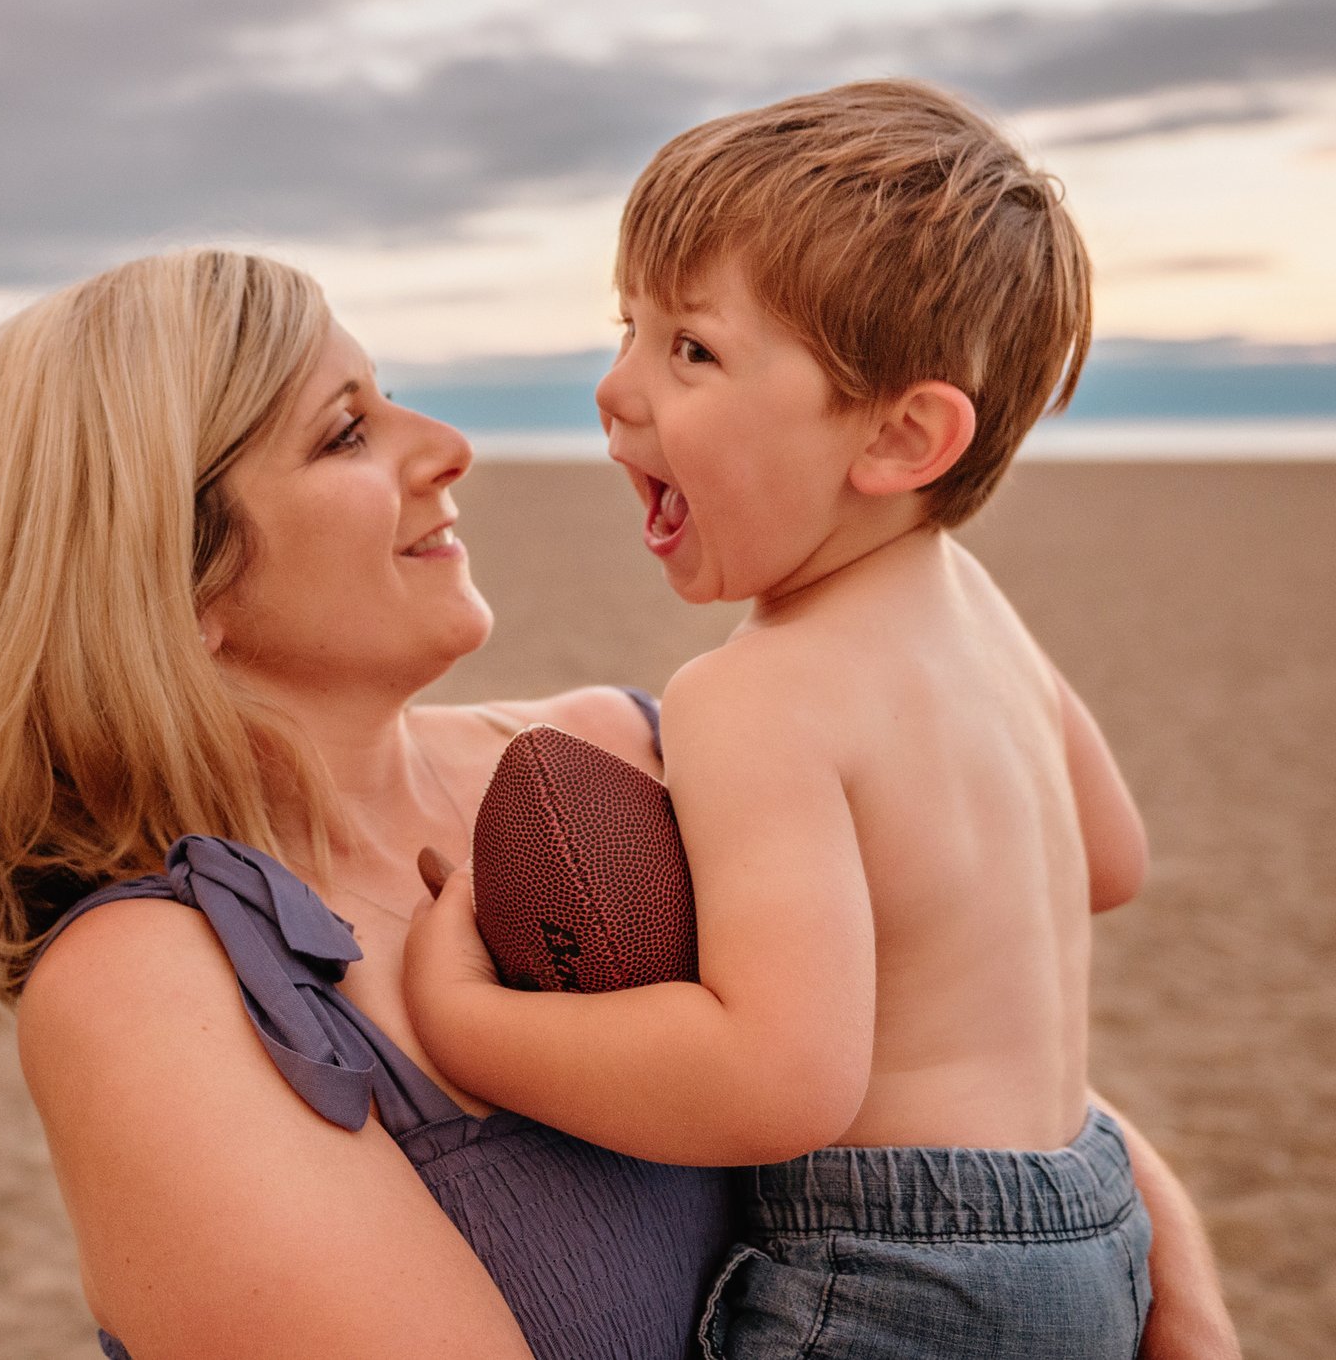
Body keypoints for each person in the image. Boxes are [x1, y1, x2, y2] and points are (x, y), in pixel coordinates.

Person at [0, 246, 1240, 1359]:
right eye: (346, 434)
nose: (447, 446)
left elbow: (959, 1054)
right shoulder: (158, 986)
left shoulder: (608, 762)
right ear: (172, 583)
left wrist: (1168, 1279)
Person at [403, 81, 1203, 1359]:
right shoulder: (976, 606)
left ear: (898, 435)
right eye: (629, 328)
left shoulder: (754, 691)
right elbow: (1109, 860)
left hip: (898, 1274)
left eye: (692, 349)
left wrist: (467, 1023)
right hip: (1092, 1226)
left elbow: (773, 1082)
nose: (615, 390)